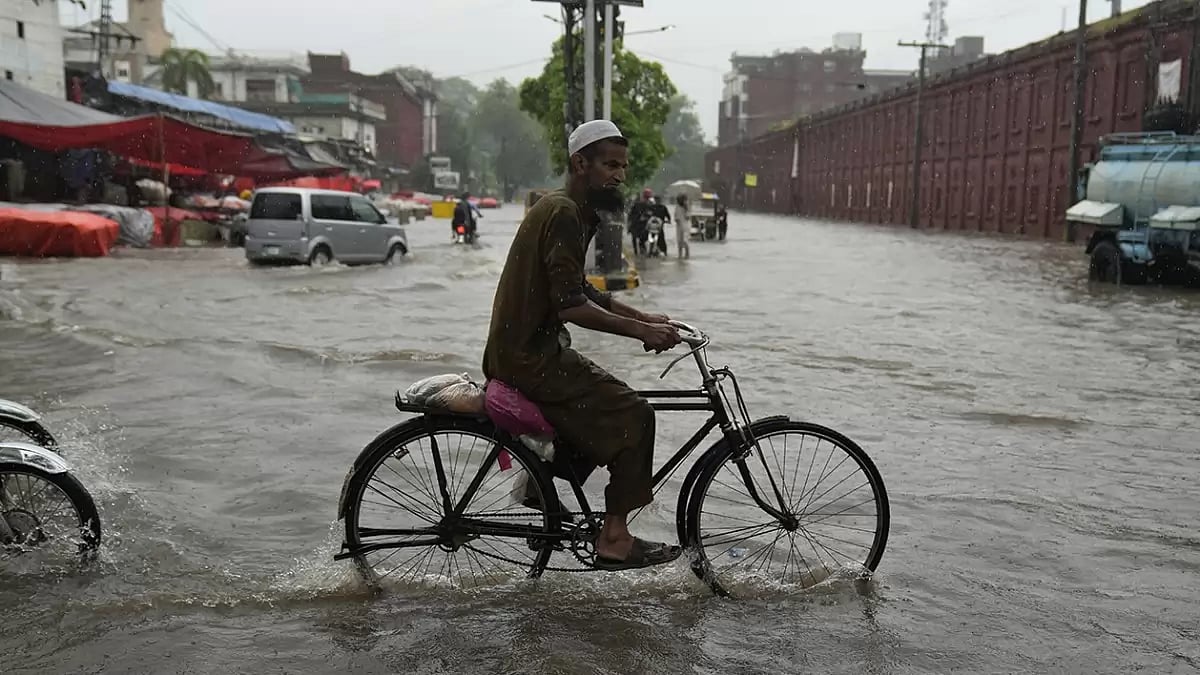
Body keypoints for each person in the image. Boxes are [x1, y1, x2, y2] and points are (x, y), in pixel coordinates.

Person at [482, 119, 684, 571]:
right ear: (580, 163)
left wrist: (640, 315)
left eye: (623, 166)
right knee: (634, 414)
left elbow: (578, 287)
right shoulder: (566, 214)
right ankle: (614, 538)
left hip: (521, 353)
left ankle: (541, 489)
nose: (619, 175)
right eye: (610, 165)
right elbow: (571, 305)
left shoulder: (561, 207)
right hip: (531, 359)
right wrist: (642, 334)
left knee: (599, 409)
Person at [627, 188, 654, 256]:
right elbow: (651, 214)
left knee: (636, 238)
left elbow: (630, 214)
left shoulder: (638, 204)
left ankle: (637, 253)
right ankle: (640, 252)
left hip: (637, 224)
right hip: (640, 224)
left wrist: (629, 222)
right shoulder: (648, 205)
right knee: (642, 239)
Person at [673, 194, 690, 259]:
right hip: (679, 226)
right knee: (679, 241)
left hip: (685, 226)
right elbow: (675, 215)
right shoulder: (677, 206)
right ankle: (680, 255)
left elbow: (688, 217)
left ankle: (687, 254)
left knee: (685, 240)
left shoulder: (687, 207)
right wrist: (676, 219)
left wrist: (686, 210)